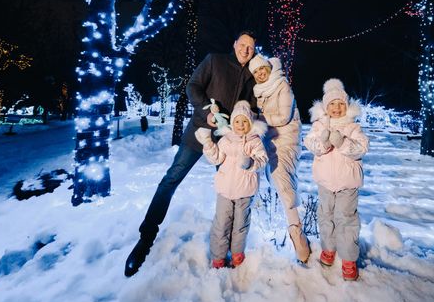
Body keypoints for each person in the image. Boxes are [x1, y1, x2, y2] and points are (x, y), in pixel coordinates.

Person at [124, 31, 257, 277]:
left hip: (229, 142)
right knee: (171, 178)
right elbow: (192, 86)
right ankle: (146, 236)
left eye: (251, 47)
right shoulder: (215, 61)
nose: (246, 50)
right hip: (200, 133)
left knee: (231, 192)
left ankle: (226, 247)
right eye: (243, 45)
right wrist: (207, 111)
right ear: (234, 44)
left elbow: (253, 108)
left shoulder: (252, 75)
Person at [303, 78, 369, 281]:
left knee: (346, 219)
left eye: (341, 103)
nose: (337, 107)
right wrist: (323, 141)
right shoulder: (318, 126)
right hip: (325, 183)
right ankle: (328, 249)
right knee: (326, 217)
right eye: (332, 104)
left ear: (347, 105)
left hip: (347, 184)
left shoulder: (352, 127)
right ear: (325, 106)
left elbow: (361, 149)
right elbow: (312, 145)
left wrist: (342, 142)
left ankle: (348, 259)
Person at [248, 54, 311, 264]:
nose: (260, 73)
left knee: (281, 177)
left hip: (287, 141)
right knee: (273, 179)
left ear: (268, 67)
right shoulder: (259, 92)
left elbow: (283, 117)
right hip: (270, 142)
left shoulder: (282, 85)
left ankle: (297, 233)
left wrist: (257, 119)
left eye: (262, 69)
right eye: (255, 72)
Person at [194, 101, 268, 268]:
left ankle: (237, 253)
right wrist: (208, 144)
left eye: (244, 122)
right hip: (225, 189)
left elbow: (263, 160)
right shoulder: (226, 139)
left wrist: (250, 163)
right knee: (221, 223)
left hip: (245, 190)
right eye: (237, 121)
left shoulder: (255, 141)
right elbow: (216, 158)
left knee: (240, 224)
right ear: (232, 123)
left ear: (249, 123)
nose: (240, 125)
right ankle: (218, 256)